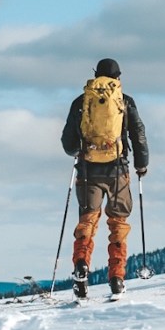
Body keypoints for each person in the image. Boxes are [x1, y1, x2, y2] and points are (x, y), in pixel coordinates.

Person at [60, 58, 149, 299]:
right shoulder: (124, 101)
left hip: (88, 171)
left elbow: (68, 144)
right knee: (118, 224)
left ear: (95, 74)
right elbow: (138, 134)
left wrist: (79, 149)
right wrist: (141, 164)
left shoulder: (81, 102)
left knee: (87, 222)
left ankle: (81, 266)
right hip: (118, 171)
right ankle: (117, 279)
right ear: (118, 77)